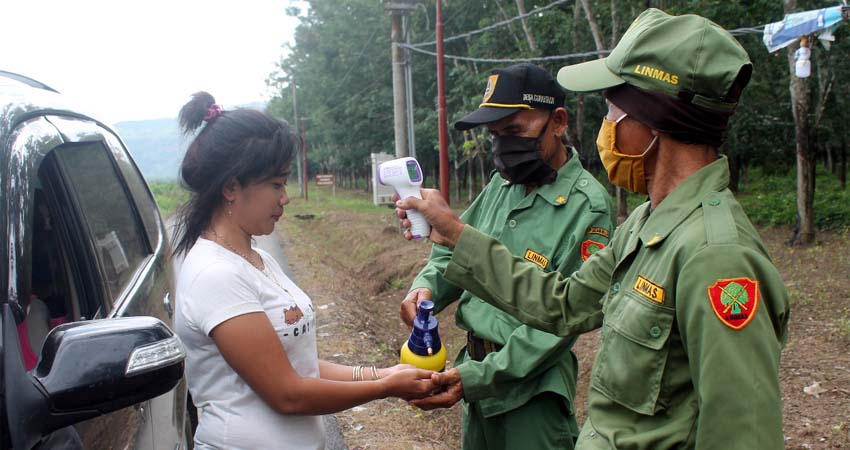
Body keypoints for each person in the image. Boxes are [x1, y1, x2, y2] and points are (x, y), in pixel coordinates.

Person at [399, 9, 790, 450]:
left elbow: (743, 434)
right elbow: (562, 303)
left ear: (652, 119)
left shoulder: (717, 255)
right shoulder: (647, 224)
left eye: (612, 110)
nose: (606, 127)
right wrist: (455, 234)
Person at [172, 92, 435, 450]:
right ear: (231, 187)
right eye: (276, 184)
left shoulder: (257, 258)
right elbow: (287, 393)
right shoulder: (216, 274)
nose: (285, 198)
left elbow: (300, 366)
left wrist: (382, 372)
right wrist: (387, 388)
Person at [400, 63, 614, 450]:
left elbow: (564, 318)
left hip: (531, 393)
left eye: (515, 131)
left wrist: (479, 377)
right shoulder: (502, 184)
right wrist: (426, 288)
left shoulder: (588, 206)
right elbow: (452, 251)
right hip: (477, 380)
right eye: (496, 135)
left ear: (558, 122)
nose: (504, 146)